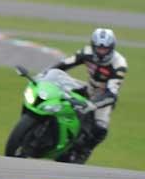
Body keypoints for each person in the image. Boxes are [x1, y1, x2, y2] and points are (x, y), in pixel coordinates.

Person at [50, 28, 127, 164]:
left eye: (105, 49)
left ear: (112, 47)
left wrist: (93, 104)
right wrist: (47, 74)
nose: (101, 52)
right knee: (58, 95)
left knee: (100, 128)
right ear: (93, 45)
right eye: (98, 48)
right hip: (88, 88)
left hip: (103, 98)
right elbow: (65, 64)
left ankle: (85, 150)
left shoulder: (119, 64)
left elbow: (112, 94)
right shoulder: (86, 52)